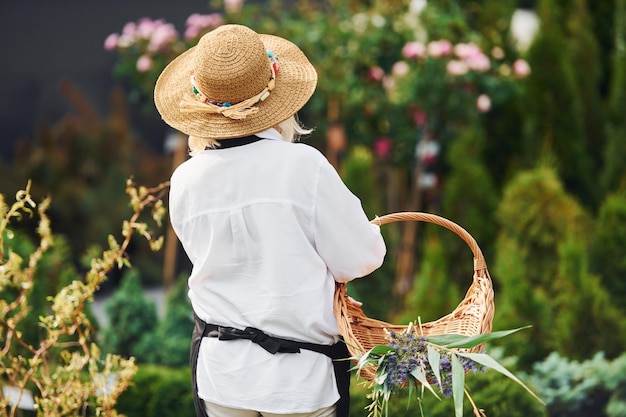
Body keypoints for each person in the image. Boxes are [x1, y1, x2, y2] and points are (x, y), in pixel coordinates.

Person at [153, 24, 386, 417]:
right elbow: (361, 258)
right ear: (276, 97)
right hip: (299, 378)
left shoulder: (186, 179)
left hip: (221, 373)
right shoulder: (303, 168)